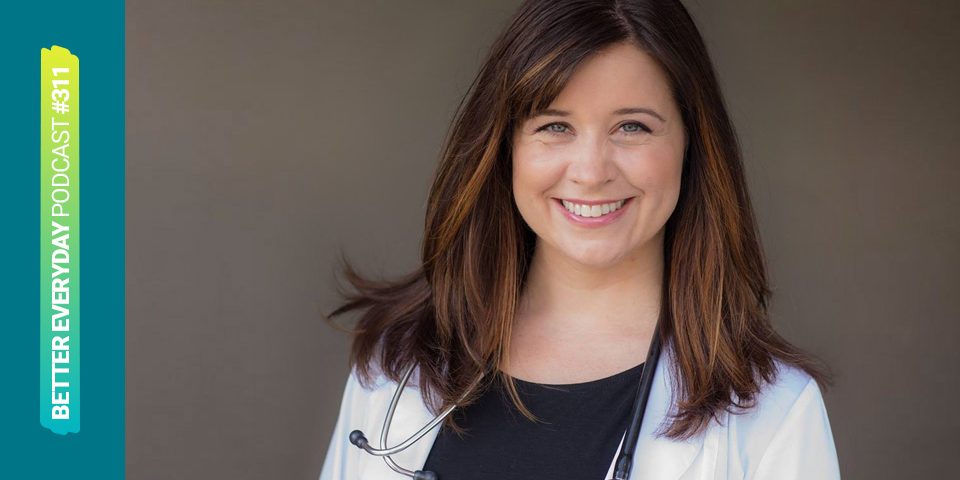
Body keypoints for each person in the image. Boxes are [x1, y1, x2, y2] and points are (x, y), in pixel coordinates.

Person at [319, 0, 841, 478]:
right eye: (555, 126)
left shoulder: (772, 413)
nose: (591, 172)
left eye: (632, 127)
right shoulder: (398, 364)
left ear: (692, 143)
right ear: (504, 146)